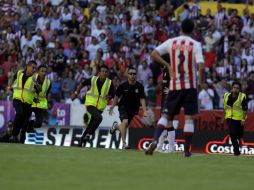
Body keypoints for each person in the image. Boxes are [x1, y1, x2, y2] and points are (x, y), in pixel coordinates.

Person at [145, 19, 205, 157]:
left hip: (175, 85)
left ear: (181, 28)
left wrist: (167, 65)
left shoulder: (172, 42)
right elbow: (201, 65)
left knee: (166, 115)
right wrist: (201, 81)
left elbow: (153, 54)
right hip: (190, 86)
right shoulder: (195, 44)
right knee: (189, 118)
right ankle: (186, 151)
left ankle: (155, 140)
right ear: (193, 29)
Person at [109, 66, 148, 149]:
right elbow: (116, 96)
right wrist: (112, 107)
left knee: (124, 125)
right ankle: (124, 144)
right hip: (123, 107)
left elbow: (142, 98)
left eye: (134, 74)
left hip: (133, 109)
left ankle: (116, 126)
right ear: (128, 75)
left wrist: (144, 110)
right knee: (125, 122)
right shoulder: (123, 85)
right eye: (131, 74)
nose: (132, 75)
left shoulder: (140, 86)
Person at [76, 65, 114, 147]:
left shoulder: (109, 83)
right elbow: (82, 84)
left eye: (105, 72)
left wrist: (110, 96)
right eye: (102, 71)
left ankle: (81, 142)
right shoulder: (93, 79)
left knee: (91, 124)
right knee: (99, 118)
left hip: (100, 107)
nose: (104, 73)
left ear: (107, 74)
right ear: (99, 73)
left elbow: (113, 94)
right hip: (90, 104)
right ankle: (89, 135)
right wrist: (76, 92)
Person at [6, 60, 38, 143]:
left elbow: (39, 89)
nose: (34, 70)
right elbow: (12, 78)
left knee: (25, 123)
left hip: (28, 102)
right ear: (28, 66)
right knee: (19, 112)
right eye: (33, 67)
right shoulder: (19, 73)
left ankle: (22, 140)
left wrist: (37, 84)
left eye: (35, 68)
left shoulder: (35, 78)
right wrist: (9, 88)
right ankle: (14, 135)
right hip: (17, 98)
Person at [223, 81, 248, 156]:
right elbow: (225, 107)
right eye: (234, 87)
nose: (235, 89)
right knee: (232, 133)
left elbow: (245, 109)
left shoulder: (242, 96)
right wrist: (224, 116)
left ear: (239, 89)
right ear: (232, 88)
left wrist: (243, 119)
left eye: (237, 88)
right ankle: (236, 152)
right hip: (229, 117)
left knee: (239, 135)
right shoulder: (226, 95)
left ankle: (238, 145)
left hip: (239, 119)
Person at [26, 64, 51, 133]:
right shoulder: (32, 78)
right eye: (42, 71)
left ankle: (29, 126)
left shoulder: (48, 82)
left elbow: (47, 94)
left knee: (39, 124)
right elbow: (28, 91)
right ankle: (25, 128)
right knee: (25, 118)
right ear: (38, 72)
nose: (44, 73)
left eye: (45, 72)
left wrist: (47, 103)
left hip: (40, 104)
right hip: (31, 102)